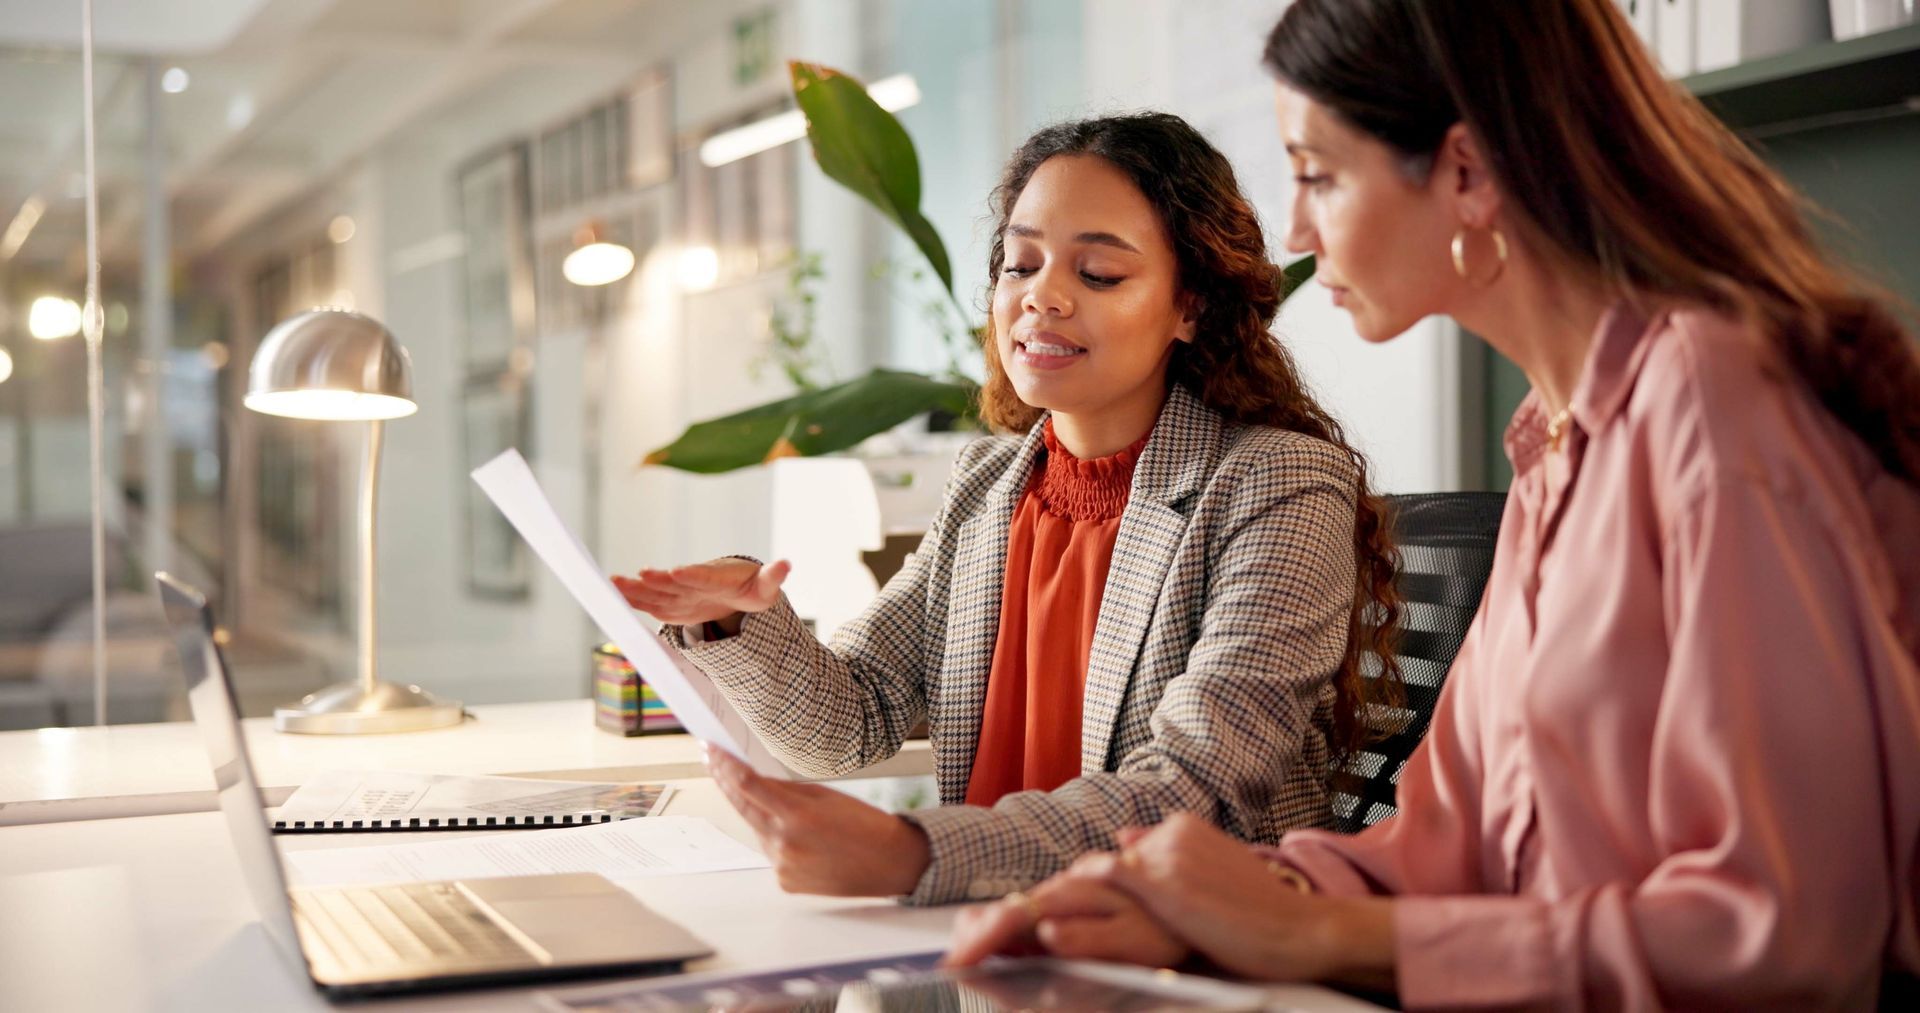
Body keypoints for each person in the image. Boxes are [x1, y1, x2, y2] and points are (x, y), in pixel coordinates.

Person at [946, 1, 1920, 1008]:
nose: (1295, 228)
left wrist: (1312, 928)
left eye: (1318, 174)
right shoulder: (1557, 444)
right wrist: (1209, 898)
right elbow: (1445, 844)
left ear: (1463, 173)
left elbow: (1787, 931)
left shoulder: (1713, 407)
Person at [614, 112, 1400, 906]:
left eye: (1098, 274)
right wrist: (738, 617)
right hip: (994, 946)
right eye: (1020, 264)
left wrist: (910, 852)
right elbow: (853, 720)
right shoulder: (988, 484)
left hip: (1183, 956)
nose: (1042, 297)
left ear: (1190, 305)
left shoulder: (1279, 482)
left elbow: (1195, 788)